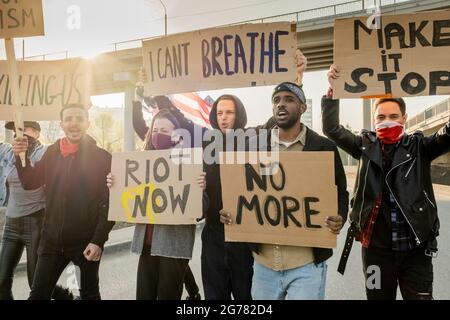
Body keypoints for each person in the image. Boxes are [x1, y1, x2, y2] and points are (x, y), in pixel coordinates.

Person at [322, 65, 450, 300]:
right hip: (374, 252)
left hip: (416, 251)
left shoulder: (421, 147)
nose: (387, 121)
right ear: (373, 120)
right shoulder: (363, 145)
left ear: (404, 118)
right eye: (381, 117)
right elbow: (332, 129)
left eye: (393, 117)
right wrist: (332, 93)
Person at [220, 81, 349, 300]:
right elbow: (245, 192)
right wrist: (232, 212)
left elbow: (341, 193)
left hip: (306, 266)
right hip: (264, 266)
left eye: (289, 99)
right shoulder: (254, 146)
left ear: (302, 107)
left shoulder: (323, 147)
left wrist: (340, 217)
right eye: (276, 100)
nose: (281, 104)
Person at [11, 104, 114, 300]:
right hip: (51, 242)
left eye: (79, 118)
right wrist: (20, 156)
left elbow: (109, 204)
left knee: (89, 295)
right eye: (68, 119)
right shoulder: (52, 152)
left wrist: (98, 240)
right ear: (61, 124)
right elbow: (29, 182)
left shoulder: (103, 158)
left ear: (87, 123)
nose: (73, 123)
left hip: (86, 243)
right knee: (38, 295)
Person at [110, 101, 208, 300]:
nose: (158, 133)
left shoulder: (188, 161)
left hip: (174, 245)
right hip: (147, 244)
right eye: (155, 129)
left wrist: (200, 190)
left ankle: (194, 293)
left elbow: (201, 211)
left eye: (164, 129)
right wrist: (115, 182)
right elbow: (127, 199)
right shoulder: (141, 164)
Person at [0, 121, 74, 300]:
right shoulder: (6, 152)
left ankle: (66, 297)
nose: (20, 133)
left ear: (37, 133)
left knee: (36, 282)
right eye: (16, 130)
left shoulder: (45, 154)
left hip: (36, 222)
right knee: (1, 282)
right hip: (11, 223)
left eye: (25, 129)